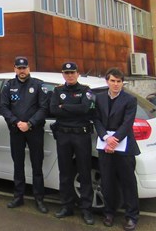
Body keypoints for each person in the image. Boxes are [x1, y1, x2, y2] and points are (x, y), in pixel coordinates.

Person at [0, 57, 49, 212]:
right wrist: (16, 122)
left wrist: (29, 123)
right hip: (16, 131)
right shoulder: (8, 86)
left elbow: (44, 108)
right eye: (19, 68)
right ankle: (18, 197)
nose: (22, 71)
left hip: (34, 131)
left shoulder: (39, 85)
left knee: (37, 165)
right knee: (18, 165)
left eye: (24, 68)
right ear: (15, 69)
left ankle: (39, 199)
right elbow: (3, 107)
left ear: (29, 68)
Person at [93, 68, 140, 230]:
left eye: (119, 81)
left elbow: (127, 123)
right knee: (107, 182)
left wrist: (115, 140)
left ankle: (131, 216)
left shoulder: (130, 100)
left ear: (122, 83)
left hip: (124, 147)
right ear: (107, 81)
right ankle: (109, 213)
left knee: (128, 183)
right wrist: (106, 138)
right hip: (105, 146)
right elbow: (96, 120)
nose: (116, 84)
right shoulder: (98, 98)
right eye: (113, 81)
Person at [49, 62, 95, 225]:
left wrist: (65, 106)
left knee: (84, 172)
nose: (70, 75)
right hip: (63, 135)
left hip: (81, 136)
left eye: (72, 72)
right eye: (66, 73)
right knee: (65, 172)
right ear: (63, 74)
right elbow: (54, 109)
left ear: (77, 74)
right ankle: (66, 206)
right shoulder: (58, 90)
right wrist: (71, 107)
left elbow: (85, 108)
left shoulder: (85, 90)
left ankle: (86, 209)